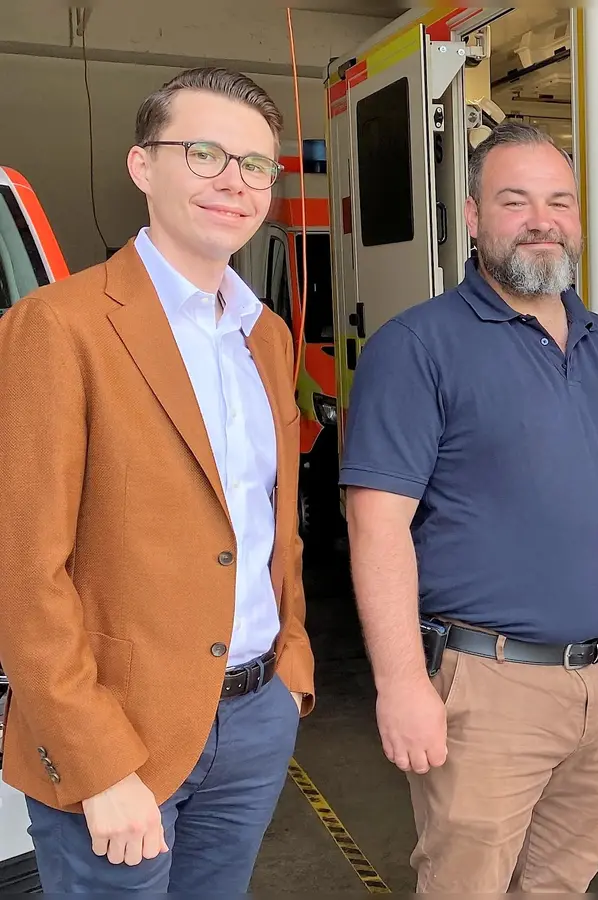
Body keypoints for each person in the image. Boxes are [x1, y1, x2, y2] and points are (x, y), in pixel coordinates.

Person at [0, 67, 314, 893]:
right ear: (144, 167)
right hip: (117, 735)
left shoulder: (267, 336)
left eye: (255, 165)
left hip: (253, 717)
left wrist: (294, 672)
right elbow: (25, 571)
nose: (234, 183)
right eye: (204, 153)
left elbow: (271, 525)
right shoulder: (58, 327)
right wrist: (96, 763)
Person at [339, 121, 598, 894]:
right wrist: (400, 683)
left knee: (560, 883)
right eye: (515, 201)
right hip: (490, 687)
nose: (542, 220)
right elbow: (375, 521)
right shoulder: (417, 346)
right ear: (475, 217)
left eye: (559, 201)